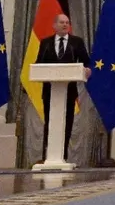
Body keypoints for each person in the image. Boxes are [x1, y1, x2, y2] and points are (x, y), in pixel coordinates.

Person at [38, 14, 92, 161]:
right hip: (50, 91)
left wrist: (87, 69)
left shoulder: (77, 42)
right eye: (62, 22)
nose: (65, 25)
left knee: (67, 122)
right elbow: (39, 63)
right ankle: (48, 156)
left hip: (69, 91)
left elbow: (86, 62)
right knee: (50, 122)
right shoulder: (46, 43)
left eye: (67, 22)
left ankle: (63, 156)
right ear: (54, 25)